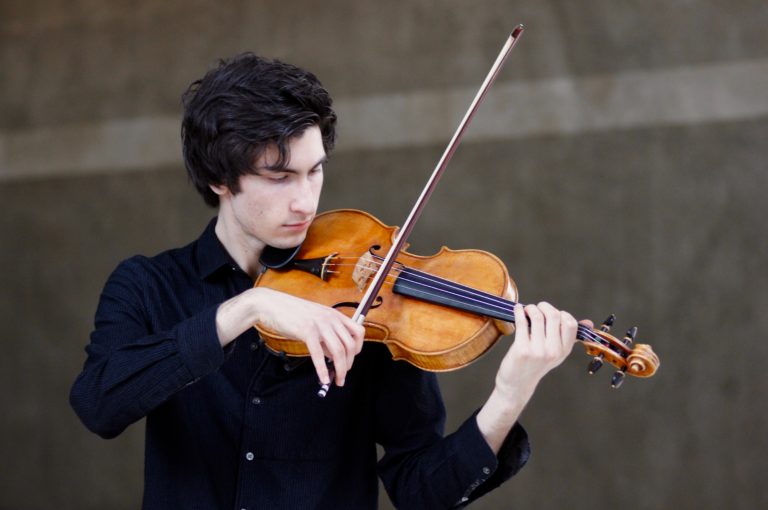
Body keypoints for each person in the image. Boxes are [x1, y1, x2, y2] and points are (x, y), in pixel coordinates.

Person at [70, 54, 585, 510]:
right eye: (279, 177)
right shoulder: (148, 285)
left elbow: (420, 491)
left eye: (314, 171)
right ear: (218, 178)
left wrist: (508, 396)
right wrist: (245, 309)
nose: (304, 201)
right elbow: (98, 403)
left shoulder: (373, 301)